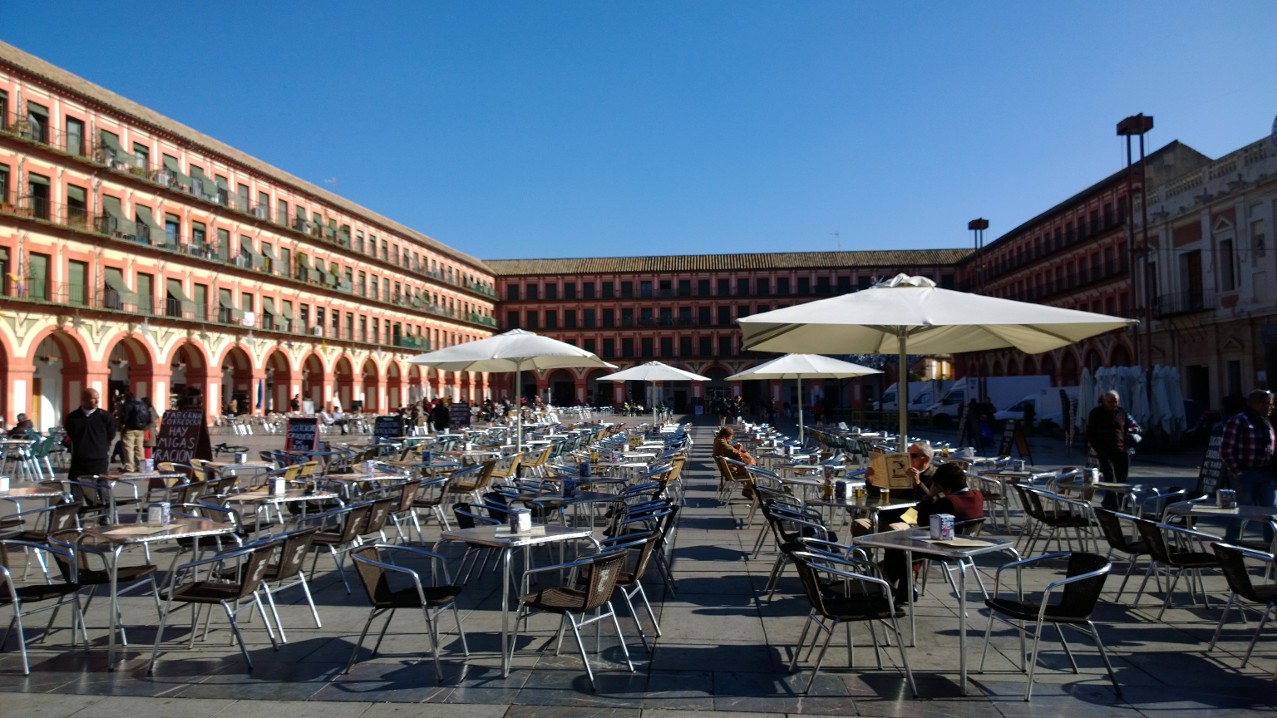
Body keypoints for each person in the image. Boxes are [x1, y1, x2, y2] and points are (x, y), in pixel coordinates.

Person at [880, 462, 985, 605]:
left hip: (946, 547)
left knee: (897, 543)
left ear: (942, 486)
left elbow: (922, 521)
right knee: (905, 547)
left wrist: (929, 496)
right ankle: (905, 587)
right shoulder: (977, 495)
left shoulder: (949, 502)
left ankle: (886, 584)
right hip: (967, 543)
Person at [1219, 389, 1276, 544]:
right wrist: (1237, 471)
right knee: (1243, 512)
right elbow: (1225, 449)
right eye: (1267, 404)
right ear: (1255, 404)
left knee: (1270, 512)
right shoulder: (1239, 420)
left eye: (1271, 405)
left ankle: (1271, 547)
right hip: (1245, 474)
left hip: (1265, 474)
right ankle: (1231, 544)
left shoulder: (1266, 423)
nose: (1270, 408)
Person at [1086, 390, 1141, 510]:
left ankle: (1122, 502)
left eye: (1115, 402)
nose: (1113, 404)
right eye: (1110, 402)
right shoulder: (1096, 413)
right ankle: (1111, 503)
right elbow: (1090, 433)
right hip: (1104, 451)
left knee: (1122, 478)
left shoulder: (1123, 412)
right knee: (1109, 477)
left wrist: (1132, 431)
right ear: (1104, 401)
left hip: (1122, 451)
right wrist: (1097, 449)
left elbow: (1135, 426)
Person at [64, 387, 117, 481]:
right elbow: (71, 434)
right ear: (83, 399)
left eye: (98, 398)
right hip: (79, 458)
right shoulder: (73, 417)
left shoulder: (105, 416)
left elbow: (111, 434)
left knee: (101, 487)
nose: (97, 401)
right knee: (77, 487)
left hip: (99, 458)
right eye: (93, 398)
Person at [712, 426, 756, 498]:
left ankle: (748, 489)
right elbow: (735, 452)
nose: (731, 438)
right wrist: (739, 448)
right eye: (731, 437)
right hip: (730, 471)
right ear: (725, 436)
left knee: (750, 467)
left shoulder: (718, 439)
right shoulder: (721, 442)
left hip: (728, 468)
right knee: (752, 468)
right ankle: (748, 490)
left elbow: (730, 450)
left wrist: (735, 447)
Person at [119, 391, 151, 472]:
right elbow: (148, 417)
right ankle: (141, 466)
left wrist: (122, 423)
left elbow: (124, 417)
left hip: (130, 428)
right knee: (139, 448)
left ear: (126, 397)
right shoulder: (142, 404)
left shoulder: (127, 405)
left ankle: (129, 467)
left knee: (129, 448)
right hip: (141, 429)